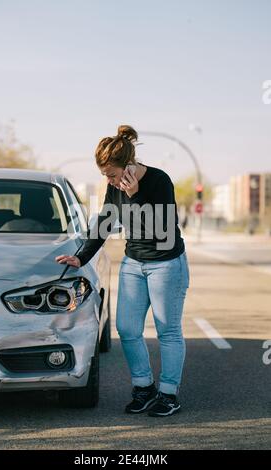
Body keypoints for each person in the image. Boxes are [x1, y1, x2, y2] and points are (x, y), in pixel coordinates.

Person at [55, 125, 190, 417]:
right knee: (127, 329)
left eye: (112, 175)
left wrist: (136, 195)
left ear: (129, 166)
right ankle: (144, 388)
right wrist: (82, 257)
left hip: (166, 263)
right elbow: (105, 220)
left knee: (168, 330)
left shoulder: (159, 180)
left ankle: (168, 394)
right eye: (106, 176)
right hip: (134, 263)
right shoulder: (114, 187)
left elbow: (162, 230)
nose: (110, 181)